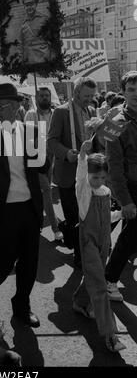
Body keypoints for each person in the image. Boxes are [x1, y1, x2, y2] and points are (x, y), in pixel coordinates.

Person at [0, 83, 48, 328]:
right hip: (4, 209)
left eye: (3, 105)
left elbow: (43, 167)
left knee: (30, 262)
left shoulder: (31, 132)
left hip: (29, 206)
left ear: (17, 107)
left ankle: (22, 306)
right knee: (5, 261)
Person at [72, 139, 125, 352]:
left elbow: (107, 217)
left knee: (94, 277)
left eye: (103, 177)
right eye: (95, 177)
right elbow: (80, 178)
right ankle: (110, 335)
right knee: (101, 286)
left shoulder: (105, 191)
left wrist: (122, 213)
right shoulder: (84, 192)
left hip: (104, 244)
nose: (99, 180)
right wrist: (82, 157)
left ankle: (80, 302)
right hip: (89, 244)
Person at [48, 77, 97, 268]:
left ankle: (83, 245)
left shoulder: (92, 111)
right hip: (68, 174)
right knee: (74, 216)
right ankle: (79, 255)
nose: (90, 99)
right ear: (76, 93)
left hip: (89, 172)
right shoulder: (61, 112)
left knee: (89, 214)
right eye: (87, 96)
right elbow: (51, 141)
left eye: (92, 96)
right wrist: (67, 153)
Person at [105, 71, 137, 302]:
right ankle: (108, 279)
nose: (136, 94)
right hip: (131, 188)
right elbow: (113, 167)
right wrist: (125, 200)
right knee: (130, 236)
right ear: (124, 92)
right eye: (132, 89)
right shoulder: (114, 123)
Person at [25, 87, 62, 241]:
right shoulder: (31, 114)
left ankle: (34, 219)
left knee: (41, 192)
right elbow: (27, 138)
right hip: (36, 158)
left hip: (52, 158)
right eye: (42, 96)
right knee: (46, 189)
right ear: (36, 97)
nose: (45, 98)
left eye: (47, 95)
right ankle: (55, 228)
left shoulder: (56, 114)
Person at [17, 0, 50, 65]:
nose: (29, 7)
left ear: (36, 5)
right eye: (27, 5)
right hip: (30, 60)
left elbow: (52, 38)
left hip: (44, 56)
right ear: (24, 7)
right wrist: (21, 62)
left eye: (31, 4)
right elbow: (20, 45)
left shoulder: (44, 19)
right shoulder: (23, 25)